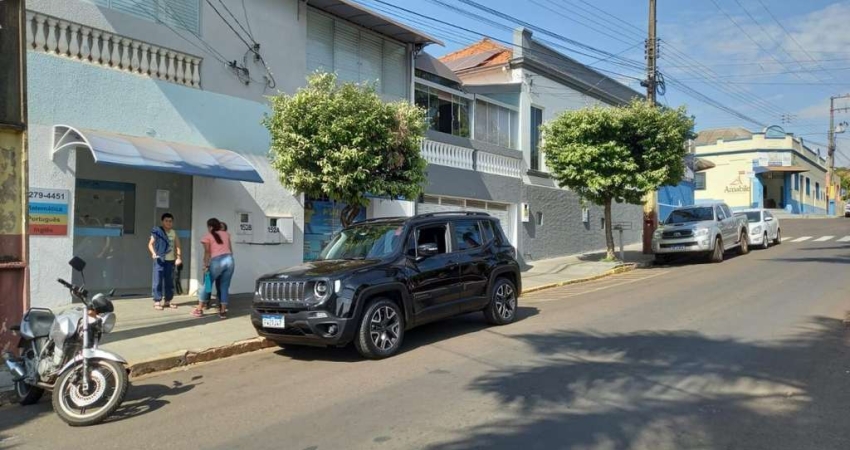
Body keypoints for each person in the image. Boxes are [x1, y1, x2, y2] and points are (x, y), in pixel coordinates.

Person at [192, 218, 234, 319]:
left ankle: (199, 309)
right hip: (229, 260)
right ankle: (223, 311)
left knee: (207, 284)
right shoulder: (226, 234)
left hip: (217, 261)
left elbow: (207, 252)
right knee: (224, 286)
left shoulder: (207, 237)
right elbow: (231, 250)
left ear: (210, 227)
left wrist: (205, 265)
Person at [148, 213, 182, 310]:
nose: (168, 223)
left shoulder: (174, 233)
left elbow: (178, 246)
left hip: (170, 261)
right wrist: (153, 253)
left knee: (169, 282)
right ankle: (157, 301)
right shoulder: (158, 231)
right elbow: (150, 244)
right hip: (159, 260)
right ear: (162, 221)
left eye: (170, 221)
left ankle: (168, 301)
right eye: (166, 221)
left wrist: (178, 257)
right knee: (157, 281)